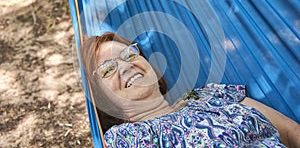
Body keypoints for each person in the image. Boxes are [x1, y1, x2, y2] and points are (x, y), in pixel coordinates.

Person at [81, 32, 300, 148]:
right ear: (103, 101)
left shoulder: (209, 94)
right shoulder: (125, 138)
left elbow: (290, 131)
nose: (126, 65)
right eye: (108, 69)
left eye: (129, 55)